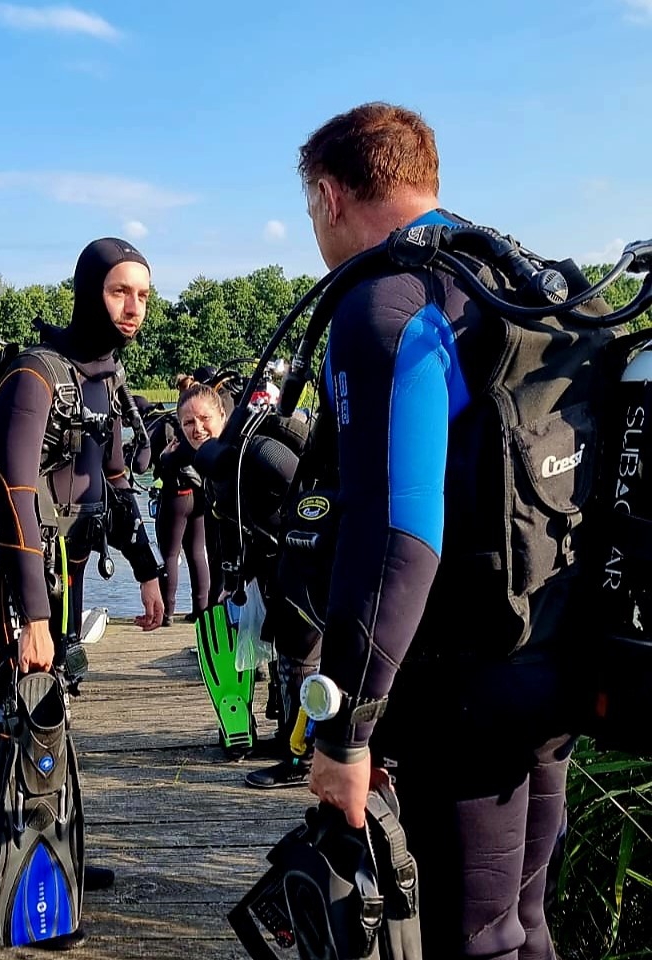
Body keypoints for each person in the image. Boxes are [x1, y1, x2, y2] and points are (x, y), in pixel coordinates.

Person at [295, 103, 574, 959]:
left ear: (330, 195)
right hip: (550, 652)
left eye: (311, 209)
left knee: (473, 938)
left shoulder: (390, 301)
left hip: (462, 685)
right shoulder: (514, 283)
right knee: (523, 924)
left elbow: (399, 535)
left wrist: (346, 732)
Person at [0, 237, 165, 916]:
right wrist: (32, 616)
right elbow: (15, 493)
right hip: (18, 580)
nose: (133, 307)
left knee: (53, 706)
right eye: (120, 292)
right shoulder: (35, 376)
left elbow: (116, 483)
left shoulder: (105, 379)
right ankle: (9, 874)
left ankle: (52, 852)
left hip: (68, 573)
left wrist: (148, 569)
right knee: (11, 713)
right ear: (89, 293)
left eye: (143, 295)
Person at [148, 374, 217, 625]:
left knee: (169, 553)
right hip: (198, 494)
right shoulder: (203, 428)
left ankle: (166, 613)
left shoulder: (168, 424)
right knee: (198, 553)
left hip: (175, 496)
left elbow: (143, 463)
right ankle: (201, 609)